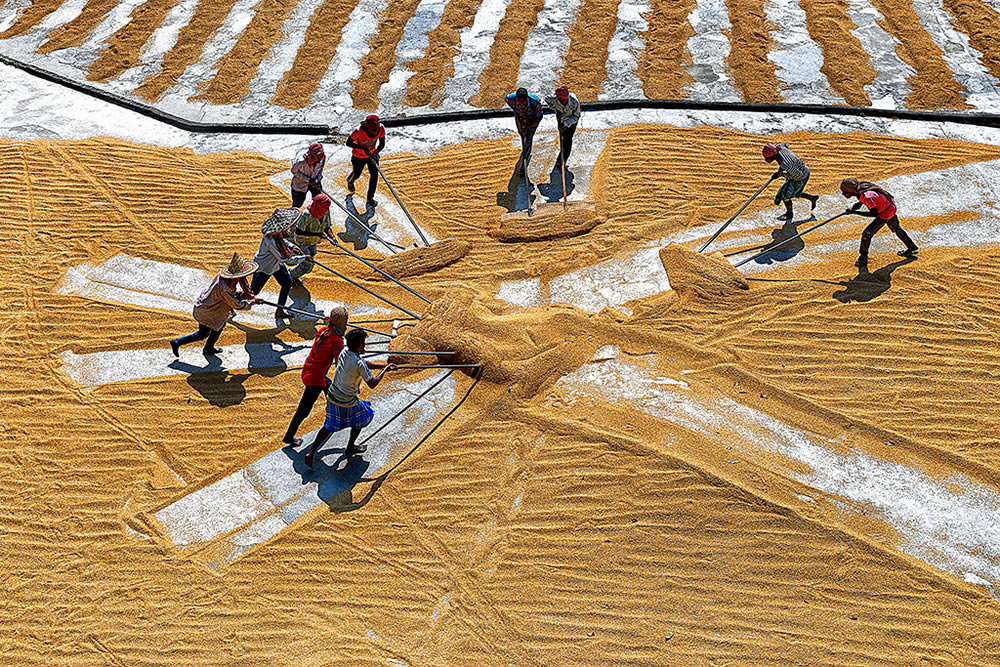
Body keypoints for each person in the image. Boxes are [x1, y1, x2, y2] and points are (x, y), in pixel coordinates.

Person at [302, 328, 397, 468]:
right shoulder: (358, 363)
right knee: (362, 417)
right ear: (360, 345)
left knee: (329, 425)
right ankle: (351, 446)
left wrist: (383, 365)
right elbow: (371, 383)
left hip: (333, 395)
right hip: (347, 400)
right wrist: (384, 371)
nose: (364, 346)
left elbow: (363, 363)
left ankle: (311, 452)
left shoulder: (344, 352)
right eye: (363, 343)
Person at [282, 306, 349, 447]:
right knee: (304, 409)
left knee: (330, 390)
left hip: (309, 370)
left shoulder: (323, 331)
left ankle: (337, 415)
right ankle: (289, 436)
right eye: (345, 320)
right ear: (341, 322)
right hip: (316, 378)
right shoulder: (337, 340)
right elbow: (340, 364)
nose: (347, 323)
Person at [171, 252, 257, 357]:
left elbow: (228, 296)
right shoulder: (225, 288)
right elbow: (236, 304)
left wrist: (241, 295)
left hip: (207, 306)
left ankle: (207, 348)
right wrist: (250, 303)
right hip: (208, 311)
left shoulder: (222, 278)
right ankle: (179, 343)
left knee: (216, 327)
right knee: (204, 333)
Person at [841, 177, 918, 267]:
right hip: (890, 205)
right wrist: (858, 204)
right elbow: (865, 199)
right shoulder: (861, 187)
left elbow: (874, 213)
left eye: (845, 192)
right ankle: (911, 247)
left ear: (851, 192)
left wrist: (854, 212)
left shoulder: (867, 197)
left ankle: (863, 257)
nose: (843, 194)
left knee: (867, 234)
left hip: (885, 212)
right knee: (896, 227)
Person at [251, 208, 306, 319]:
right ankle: (230, 306)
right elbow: (286, 260)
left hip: (275, 264)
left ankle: (280, 311)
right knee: (253, 293)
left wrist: (292, 246)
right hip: (264, 268)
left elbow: (283, 241)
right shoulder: (270, 240)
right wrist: (303, 258)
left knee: (287, 283)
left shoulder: (276, 235)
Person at [762, 142, 818, 220]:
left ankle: (789, 214)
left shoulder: (787, 165)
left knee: (786, 196)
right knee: (792, 192)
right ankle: (812, 198)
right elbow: (785, 144)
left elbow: (798, 175)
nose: (766, 160)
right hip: (799, 170)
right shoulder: (780, 147)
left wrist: (780, 174)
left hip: (801, 177)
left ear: (774, 156)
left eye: (767, 158)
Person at [290, 193, 334, 283]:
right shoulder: (306, 215)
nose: (326, 210)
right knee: (307, 264)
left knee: (312, 255)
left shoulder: (325, 211)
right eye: (324, 207)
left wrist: (332, 237)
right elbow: (299, 232)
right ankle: (290, 276)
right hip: (302, 242)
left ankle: (294, 274)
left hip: (313, 241)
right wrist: (317, 234)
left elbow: (327, 226)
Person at [346, 115, 385, 209]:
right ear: (367, 127)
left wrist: (375, 152)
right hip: (358, 156)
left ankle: (370, 198)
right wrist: (363, 148)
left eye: (376, 129)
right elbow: (348, 143)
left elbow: (382, 143)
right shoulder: (358, 131)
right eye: (372, 129)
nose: (375, 131)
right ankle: (350, 181)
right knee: (357, 174)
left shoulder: (381, 129)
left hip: (372, 155)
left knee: (374, 176)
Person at [505, 87, 543, 171]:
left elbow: (538, 118)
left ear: (527, 98)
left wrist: (527, 128)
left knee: (528, 139)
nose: (521, 104)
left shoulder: (535, 102)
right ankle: (524, 149)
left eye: (524, 101)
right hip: (520, 119)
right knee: (522, 135)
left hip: (532, 120)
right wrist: (518, 114)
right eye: (519, 101)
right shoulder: (510, 99)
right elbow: (511, 105)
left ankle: (524, 165)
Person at [544, 86, 581, 167]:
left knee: (568, 140)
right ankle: (562, 154)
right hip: (560, 119)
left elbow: (576, 116)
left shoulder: (574, 101)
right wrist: (555, 109)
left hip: (571, 121)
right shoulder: (553, 98)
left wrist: (567, 123)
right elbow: (546, 99)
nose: (563, 101)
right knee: (562, 138)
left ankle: (563, 160)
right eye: (561, 100)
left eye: (564, 100)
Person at [290, 142, 325, 208]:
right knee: (297, 205)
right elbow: (294, 171)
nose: (320, 159)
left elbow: (320, 170)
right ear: (313, 155)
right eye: (318, 157)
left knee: (319, 201)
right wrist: (307, 180)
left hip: (314, 182)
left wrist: (318, 180)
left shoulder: (321, 159)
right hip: (300, 186)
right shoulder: (301, 162)